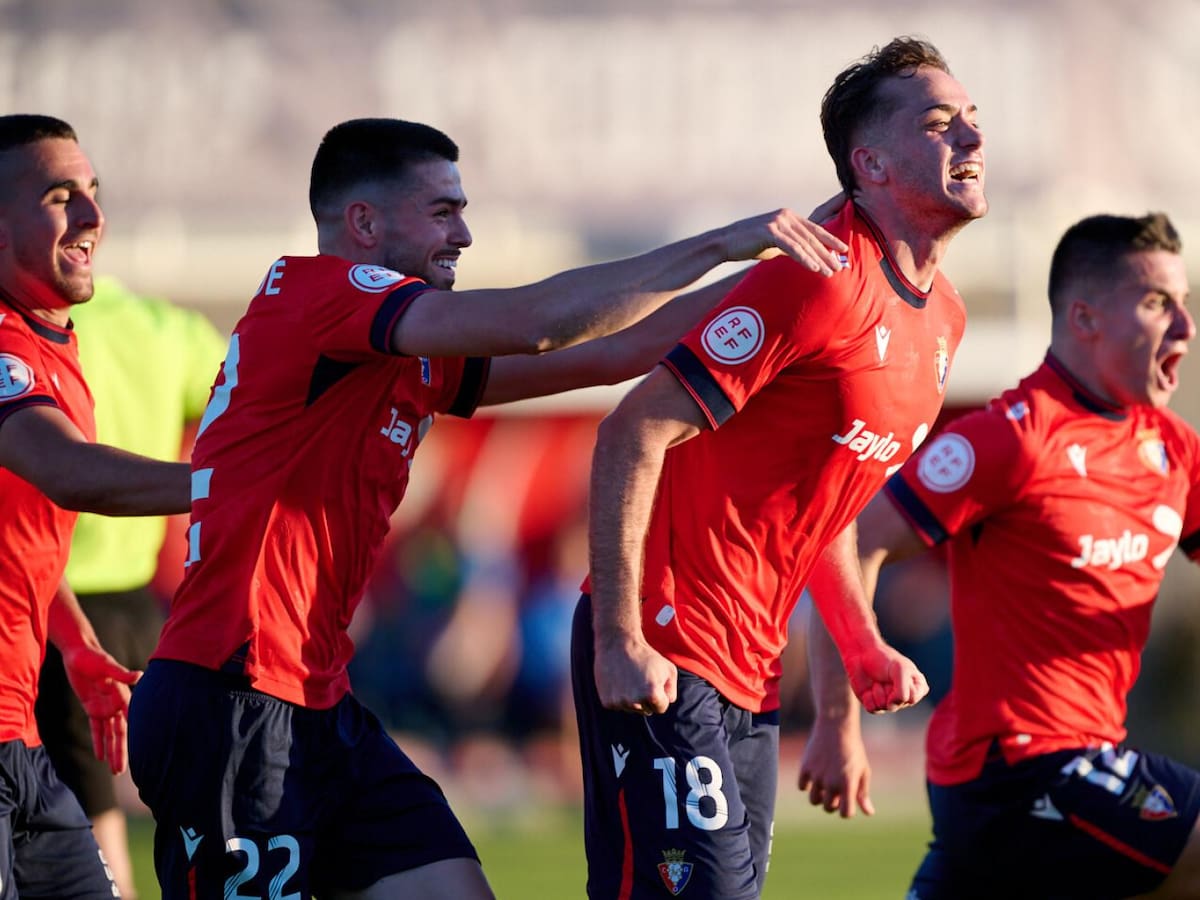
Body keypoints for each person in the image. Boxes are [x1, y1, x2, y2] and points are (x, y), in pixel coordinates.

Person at [125, 116, 851, 900]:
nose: (464, 233)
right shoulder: (322, 292)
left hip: (318, 700)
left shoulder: (397, 345)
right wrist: (720, 243)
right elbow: (539, 325)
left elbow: (609, 352)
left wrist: (802, 271)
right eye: (442, 211)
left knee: (451, 887)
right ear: (364, 222)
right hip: (230, 698)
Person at [573, 34, 987, 899]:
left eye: (974, 120)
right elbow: (629, 433)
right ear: (868, 162)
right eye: (942, 124)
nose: (973, 141)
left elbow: (826, 510)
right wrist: (620, 637)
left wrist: (848, 681)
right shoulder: (817, 278)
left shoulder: (943, 317)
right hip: (669, 643)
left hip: (755, 671)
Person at [800, 212, 1200, 899]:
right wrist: (837, 722)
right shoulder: (1011, 440)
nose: (1185, 328)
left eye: (1185, 304)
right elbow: (846, 540)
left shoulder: (1173, 450)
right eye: (1159, 302)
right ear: (1085, 318)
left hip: (1078, 765)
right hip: (1016, 772)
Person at [0, 114, 193, 898]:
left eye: (93, 193)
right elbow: (71, 473)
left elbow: (21, 544)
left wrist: (74, 644)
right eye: (59, 196)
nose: (91, 216)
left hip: (24, 736)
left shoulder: (55, 342)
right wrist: (238, 482)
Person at [34, 275, 227, 900]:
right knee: (183, 820)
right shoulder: (166, 327)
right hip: (144, 610)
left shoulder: (43, 331)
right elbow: (246, 397)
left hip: (63, 614)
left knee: (93, 826)